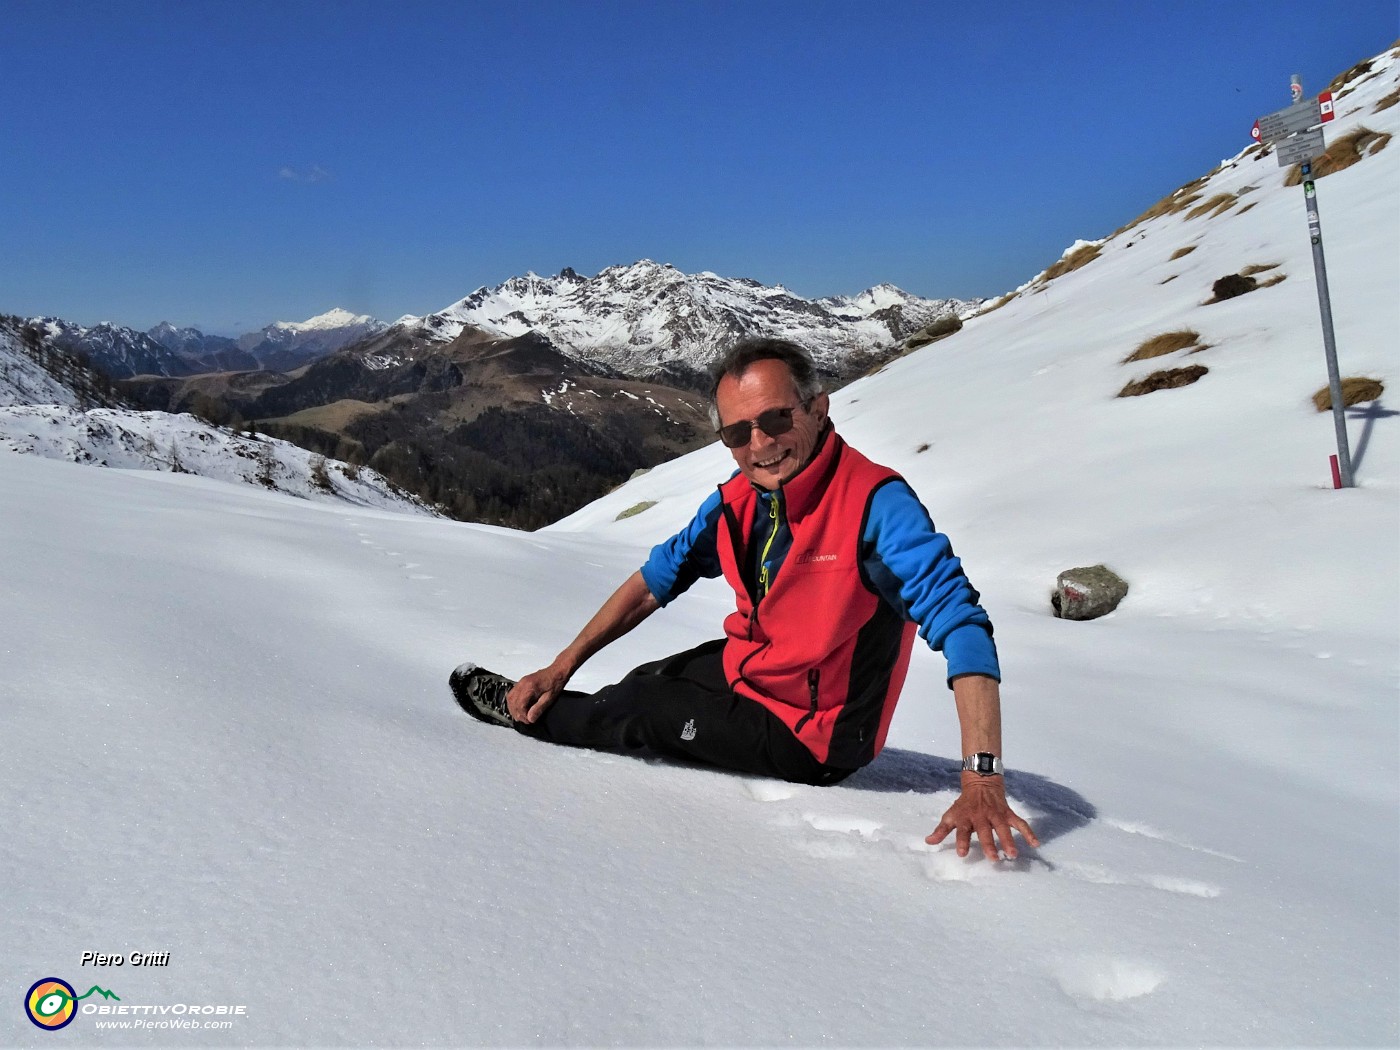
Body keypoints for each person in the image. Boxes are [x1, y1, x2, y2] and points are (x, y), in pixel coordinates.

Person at [452, 337, 1038, 861]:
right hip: (755, 671)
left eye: (777, 419)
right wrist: (562, 664)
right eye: (737, 432)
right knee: (649, 680)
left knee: (647, 715)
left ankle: (527, 718)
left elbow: (962, 624)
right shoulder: (738, 499)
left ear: (817, 408)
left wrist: (981, 780)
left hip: (816, 736)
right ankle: (563, 694)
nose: (760, 444)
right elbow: (654, 580)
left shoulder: (874, 503)